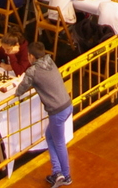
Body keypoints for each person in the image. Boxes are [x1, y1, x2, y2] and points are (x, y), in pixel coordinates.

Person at [15, 42, 74, 188]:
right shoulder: (50, 61)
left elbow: (21, 88)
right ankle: (57, 172)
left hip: (57, 111)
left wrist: (16, 93)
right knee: (50, 137)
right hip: (67, 105)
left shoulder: (33, 71)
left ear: (31, 56)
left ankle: (66, 175)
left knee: (59, 143)